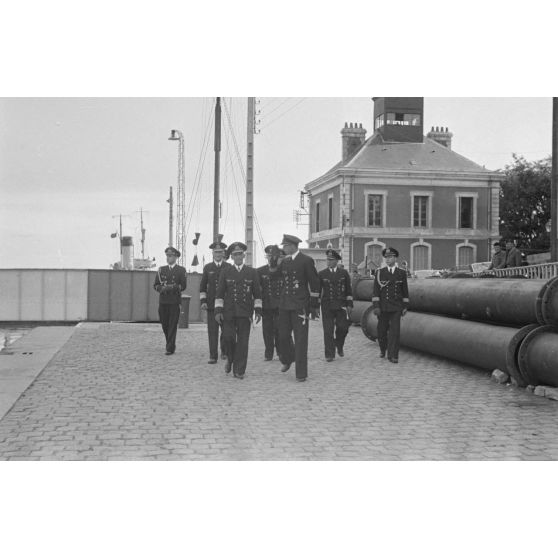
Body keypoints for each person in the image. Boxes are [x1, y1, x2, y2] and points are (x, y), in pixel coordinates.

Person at [214, 242, 262, 379]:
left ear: (244, 255)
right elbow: (220, 293)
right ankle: (230, 358)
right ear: (231, 257)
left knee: (243, 342)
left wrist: (258, 310)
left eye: (240, 254)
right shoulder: (226, 272)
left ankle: (239, 370)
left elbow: (257, 293)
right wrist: (218, 311)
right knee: (228, 337)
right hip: (228, 312)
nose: (238, 256)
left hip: (244, 312)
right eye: (235, 254)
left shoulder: (252, 272)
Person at [277, 234, 321, 382]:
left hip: (300, 306)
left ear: (292, 246)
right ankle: (288, 358)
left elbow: (314, 283)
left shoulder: (306, 261)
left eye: (285, 246)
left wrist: (314, 305)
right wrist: (273, 263)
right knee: (282, 336)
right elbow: (278, 279)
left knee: (301, 340)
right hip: (284, 305)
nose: (283, 248)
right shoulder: (285, 261)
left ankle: (301, 373)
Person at [371, 247, 409, 364]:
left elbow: (405, 292)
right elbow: (376, 292)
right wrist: (376, 306)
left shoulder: (401, 273)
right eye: (386, 257)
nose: (388, 259)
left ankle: (393, 356)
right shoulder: (379, 272)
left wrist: (405, 306)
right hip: (383, 308)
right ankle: (383, 349)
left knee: (395, 332)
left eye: (390, 257)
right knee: (381, 332)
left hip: (396, 307)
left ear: (395, 258)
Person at [318, 249, 353, 362]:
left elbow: (349, 290)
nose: (328, 262)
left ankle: (339, 344)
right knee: (328, 331)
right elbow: (318, 291)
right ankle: (329, 354)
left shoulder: (344, 273)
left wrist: (349, 304)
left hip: (341, 305)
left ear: (336, 261)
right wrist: (315, 306)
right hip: (327, 305)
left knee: (343, 328)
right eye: (327, 259)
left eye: (331, 260)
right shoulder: (322, 274)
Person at [200, 239, 229, 364]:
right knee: (212, 331)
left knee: (226, 331)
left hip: (226, 305)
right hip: (212, 305)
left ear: (224, 253)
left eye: (220, 252)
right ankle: (213, 356)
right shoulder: (208, 268)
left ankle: (225, 351)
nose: (218, 254)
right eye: (216, 252)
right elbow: (202, 286)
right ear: (212, 253)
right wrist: (203, 301)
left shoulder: (229, 267)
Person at [153, 246, 187, 355]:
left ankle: (170, 347)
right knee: (164, 324)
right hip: (163, 301)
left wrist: (173, 287)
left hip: (174, 301)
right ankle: (169, 342)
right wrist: (161, 289)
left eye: (171, 256)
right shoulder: (161, 270)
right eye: (167, 255)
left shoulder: (181, 270)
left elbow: (183, 286)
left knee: (172, 324)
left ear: (176, 257)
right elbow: (156, 285)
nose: (169, 258)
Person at [257, 244, 285, 361]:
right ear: (266, 257)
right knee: (267, 330)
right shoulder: (260, 271)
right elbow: (258, 290)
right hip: (266, 305)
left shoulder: (282, 270)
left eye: (273, 256)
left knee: (279, 329)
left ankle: (280, 351)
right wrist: (257, 307)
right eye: (269, 256)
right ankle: (268, 353)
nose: (271, 258)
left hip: (280, 305)